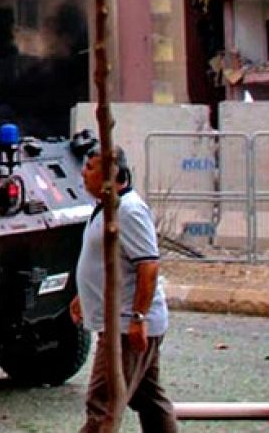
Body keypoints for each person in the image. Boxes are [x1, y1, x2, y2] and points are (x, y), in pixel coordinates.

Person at [72, 146, 176, 433]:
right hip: (118, 321)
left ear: (110, 174)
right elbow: (109, 261)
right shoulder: (105, 208)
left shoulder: (129, 211)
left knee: (102, 403)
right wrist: (85, 295)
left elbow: (148, 266)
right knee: (149, 399)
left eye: (90, 168)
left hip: (126, 325)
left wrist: (138, 318)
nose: (84, 173)